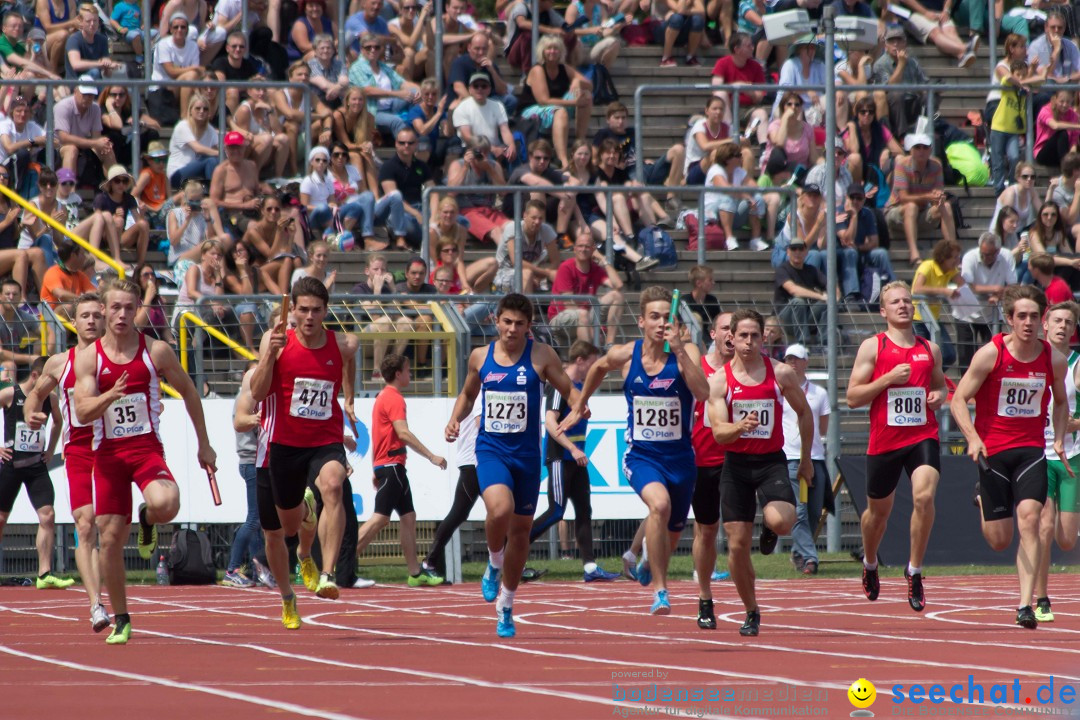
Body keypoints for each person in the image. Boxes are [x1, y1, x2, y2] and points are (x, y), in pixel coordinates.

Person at [72, 277, 217, 644]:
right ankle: (122, 617)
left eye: (128, 307)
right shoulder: (90, 357)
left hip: (145, 450)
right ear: (104, 310)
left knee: (167, 503)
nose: (121, 314)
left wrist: (205, 444)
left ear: (138, 308)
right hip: (108, 457)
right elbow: (83, 410)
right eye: (115, 307)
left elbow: (189, 392)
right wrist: (111, 396)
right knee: (109, 538)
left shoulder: (157, 351)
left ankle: (148, 518)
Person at [444, 293, 584, 638]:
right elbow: (467, 394)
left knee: (521, 533)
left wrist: (579, 408)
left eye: (520, 324)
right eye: (507, 322)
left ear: (528, 326)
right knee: (500, 509)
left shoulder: (541, 356)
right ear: (496, 321)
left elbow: (570, 390)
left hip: (525, 456)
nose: (512, 329)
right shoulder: (481, 356)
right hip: (491, 449)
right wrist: (454, 419)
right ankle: (493, 563)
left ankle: (506, 604)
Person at [569, 287, 709, 614]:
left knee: (672, 534)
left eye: (667, 317)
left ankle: (649, 562)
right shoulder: (627, 355)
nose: (662, 323)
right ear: (642, 321)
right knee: (658, 505)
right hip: (641, 457)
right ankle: (661, 591)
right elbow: (599, 366)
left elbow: (702, 393)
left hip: (681, 461)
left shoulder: (686, 351)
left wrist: (680, 351)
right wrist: (580, 403)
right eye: (655, 317)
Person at [949, 284, 1070, 629]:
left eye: (1034, 316)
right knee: (1000, 541)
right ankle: (983, 499)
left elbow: (1060, 402)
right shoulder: (992, 354)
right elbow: (959, 400)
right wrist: (972, 439)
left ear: (1042, 319)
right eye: (1022, 316)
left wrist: (1059, 438)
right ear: (1009, 319)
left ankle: (1024, 605)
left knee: (1030, 519)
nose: (1029, 322)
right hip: (994, 452)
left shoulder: (1052, 359)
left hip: (1032, 451)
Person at [250, 277, 358, 628]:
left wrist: (350, 399)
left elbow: (348, 362)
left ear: (326, 311)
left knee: (333, 485)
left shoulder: (342, 344)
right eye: (303, 310)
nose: (309, 317)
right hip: (283, 445)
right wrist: (270, 354)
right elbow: (257, 391)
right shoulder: (276, 342)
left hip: (324, 440)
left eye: (316, 310)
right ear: (292, 310)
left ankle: (327, 574)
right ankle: (289, 592)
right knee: (286, 527)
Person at [705, 308, 812, 636]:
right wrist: (740, 426)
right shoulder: (720, 380)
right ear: (731, 338)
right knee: (736, 545)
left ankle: (768, 526)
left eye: (755, 336)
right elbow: (718, 434)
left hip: (770, 461)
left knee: (782, 521)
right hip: (736, 465)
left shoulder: (780, 373)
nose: (749, 342)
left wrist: (806, 459)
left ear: (763, 337)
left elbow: (805, 414)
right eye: (743, 336)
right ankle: (751, 609)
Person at [846, 281, 947, 611]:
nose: (903, 305)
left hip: (922, 436)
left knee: (924, 496)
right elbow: (852, 398)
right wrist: (887, 379)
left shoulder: (929, 348)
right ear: (883, 310)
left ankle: (914, 570)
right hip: (886, 440)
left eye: (907, 300)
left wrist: (939, 397)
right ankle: (871, 562)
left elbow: (941, 388)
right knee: (877, 514)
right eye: (895, 302)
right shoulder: (872, 347)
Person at [24, 293, 108, 629]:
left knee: (107, 528)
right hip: (79, 449)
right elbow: (35, 394)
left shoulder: (117, 357)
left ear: (104, 321)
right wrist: (32, 413)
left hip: (113, 448)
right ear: (74, 323)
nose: (90, 321)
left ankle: (148, 518)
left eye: (95, 316)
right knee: (84, 524)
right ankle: (96, 605)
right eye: (84, 316)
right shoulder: (60, 362)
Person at [527, 340, 619, 581]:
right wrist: (572, 449)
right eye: (591, 362)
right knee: (557, 511)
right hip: (560, 456)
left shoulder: (579, 387)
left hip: (576, 458)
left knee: (584, 511)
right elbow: (550, 422)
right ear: (580, 361)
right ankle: (512, 546)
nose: (594, 368)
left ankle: (590, 567)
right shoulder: (560, 386)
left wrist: (578, 451)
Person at [355, 353, 447, 585]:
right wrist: (431, 456)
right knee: (380, 519)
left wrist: (375, 469)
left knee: (408, 517)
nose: (411, 374)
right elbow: (402, 433)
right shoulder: (394, 398)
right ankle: (339, 561)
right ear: (398, 374)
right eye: (408, 370)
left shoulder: (383, 397)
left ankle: (415, 573)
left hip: (391, 466)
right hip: (392, 466)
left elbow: (379, 436)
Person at [1031, 301, 1080, 623]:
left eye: (1069, 322)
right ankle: (1041, 599)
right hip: (1036, 454)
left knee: (1065, 538)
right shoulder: (1030, 357)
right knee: (1043, 528)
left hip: (1070, 456)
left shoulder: (1076, 363)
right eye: (1057, 320)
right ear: (1044, 325)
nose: (1062, 326)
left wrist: (1070, 424)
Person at [0, 356, 63, 590]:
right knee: (1, 519)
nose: (50, 387)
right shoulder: (10, 394)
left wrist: (51, 450)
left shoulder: (50, 398)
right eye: (48, 380)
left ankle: (44, 573)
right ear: (36, 376)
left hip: (36, 466)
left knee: (48, 515)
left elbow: (58, 422)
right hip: (11, 464)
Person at [690, 311, 733, 629]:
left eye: (738, 330)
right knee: (706, 531)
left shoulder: (748, 370)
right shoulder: (698, 370)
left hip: (738, 460)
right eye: (726, 329)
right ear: (713, 334)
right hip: (703, 460)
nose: (733, 335)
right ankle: (704, 597)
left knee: (738, 532)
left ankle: (749, 605)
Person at [780, 343, 830, 575]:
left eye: (796, 358)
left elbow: (822, 427)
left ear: (805, 362)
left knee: (813, 510)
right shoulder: (779, 390)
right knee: (799, 510)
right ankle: (810, 558)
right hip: (790, 457)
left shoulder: (819, 393)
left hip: (815, 457)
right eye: (788, 358)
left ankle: (799, 551)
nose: (792, 362)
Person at [420, 404, 481, 579]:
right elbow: (482, 425)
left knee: (501, 511)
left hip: (480, 460)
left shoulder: (479, 391)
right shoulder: (480, 393)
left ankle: (513, 564)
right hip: (475, 462)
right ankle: (428, 562)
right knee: (459, 513)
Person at [885, 132, 956, 266]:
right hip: (896, 212)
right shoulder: (902, 165)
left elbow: (939, 192)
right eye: (917, 147)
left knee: (945, 206)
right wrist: (928, 196)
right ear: (911, 150)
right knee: (911, 206)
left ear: (930, 149)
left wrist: (938, 197)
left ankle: (952, 252)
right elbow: (903, 198)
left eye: (925, 147)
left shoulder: (936, 165)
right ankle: (914, 253)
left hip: (922, 213)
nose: (921, 151)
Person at [547, 226, 625, 344]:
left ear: (593, 249)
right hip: (560, 318)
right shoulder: (566, 267)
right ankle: (589, 357)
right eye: (580, 246)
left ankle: (610, 345)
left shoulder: (595, 268)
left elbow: (618, 285)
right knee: (583, 315)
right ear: (574, 249)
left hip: (585, 316)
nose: (583, 249)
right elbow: (569, 304)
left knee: (617, 296)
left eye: (587, 246)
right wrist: (592, 328)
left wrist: (603, 260)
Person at [958, 233, 1016, 369]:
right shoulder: (970, 257)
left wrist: (999, 295)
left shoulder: (1006, 256)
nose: (985, 257)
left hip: (992, 314)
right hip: (966, 314)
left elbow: (1013, 285)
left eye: (989, 254)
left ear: (998, 251)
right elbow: (968, 286)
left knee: (990, 357)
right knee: (965, 358)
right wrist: (994, 289)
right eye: (982, 253)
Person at [912, 239, 963, 371]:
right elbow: (917, 289)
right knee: (921, 357)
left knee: (949, 355)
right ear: (943, 258)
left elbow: (964, 286)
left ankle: (932, 380)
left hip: (934, 318)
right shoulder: (927, 266)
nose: (957, 260)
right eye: (954, 257)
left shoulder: (951, 270)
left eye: (958, 257)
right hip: (918, 319)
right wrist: (944, 291)